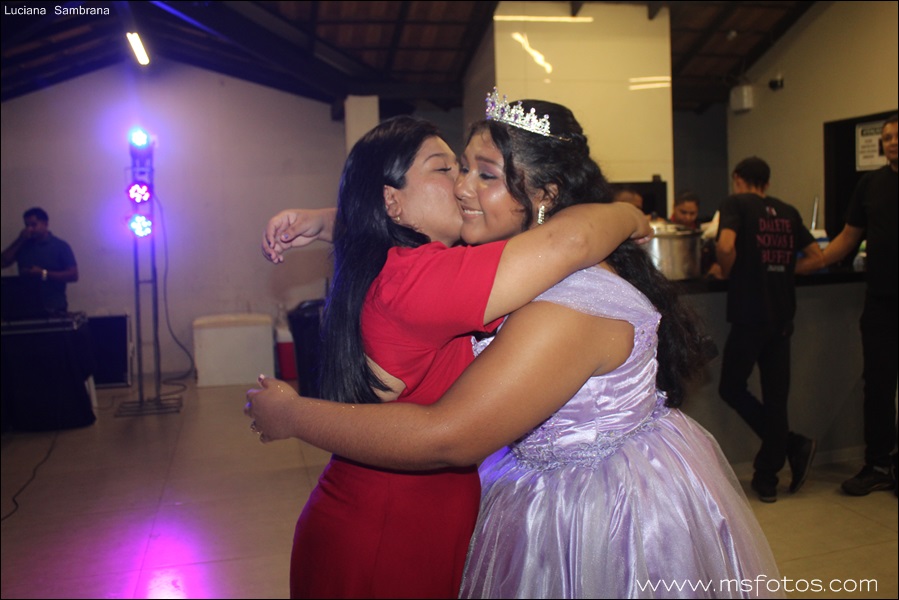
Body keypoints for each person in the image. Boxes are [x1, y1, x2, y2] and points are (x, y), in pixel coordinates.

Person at [247, 95, 784, 598]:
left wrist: (326, 223)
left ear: (545, 195)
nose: (462, 188)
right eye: (455, 169)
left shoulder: (566, 304)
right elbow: (563, 238)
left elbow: (564, 241)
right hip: (397, 521)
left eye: (483, 174)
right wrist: (626, 215)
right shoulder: (462, 270)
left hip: (596, 518)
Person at [796, 113, 898, 496]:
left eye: (897, 136)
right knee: (878, 385)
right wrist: (812, 263)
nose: (892, 142)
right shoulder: (870, 184)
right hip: (881, 302)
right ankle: (877, 464)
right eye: (887, 137)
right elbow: (848, 238)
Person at [714, 157, 823, 503]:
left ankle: (789, 447)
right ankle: (769, 475)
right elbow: (817, 256)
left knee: (731, 387)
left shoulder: (735, 203)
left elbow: (725, 245)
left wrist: (727, 271)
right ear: (767, 182)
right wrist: (785, 271)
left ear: (738, 178)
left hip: (750, 314)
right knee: (777, 398)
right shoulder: (788, 212)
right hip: (782, 316)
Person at [1, 206, 78, 314]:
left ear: (45, 224)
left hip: (54, 307)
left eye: (33, 225)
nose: (29, 229)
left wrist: (43, 273)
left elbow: (73, 275)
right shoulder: (23, 245)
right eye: (27, 225)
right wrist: (20, 239)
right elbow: (3, 262)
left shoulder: (60, 246)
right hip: (25, 308)